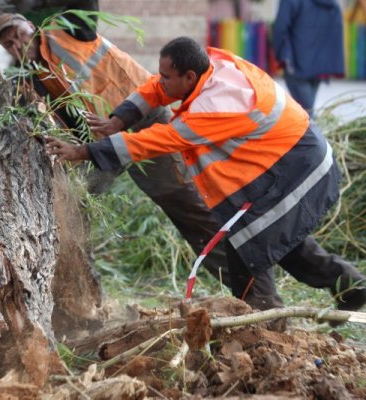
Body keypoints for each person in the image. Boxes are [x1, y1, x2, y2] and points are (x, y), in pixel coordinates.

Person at [45, 37, 366, 315]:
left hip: (296, 168)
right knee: (282, 241)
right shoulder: (210, 66)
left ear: (188, 76)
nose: (162, 81)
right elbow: (157, 89)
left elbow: (156, 141)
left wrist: (84, 151)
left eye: (168, 76)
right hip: (288, 156)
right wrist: (119, 118)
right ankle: (351, 287)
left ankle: (266, 320)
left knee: (248, 244)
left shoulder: (211, 108)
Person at [0, 10, 238, 291]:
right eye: (8, 44)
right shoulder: (27, 79)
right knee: (74, 204)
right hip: (103, 143)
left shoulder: (71, 32)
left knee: (184, 206)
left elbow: (84, 4)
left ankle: (243, 279)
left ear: (32, 27)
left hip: (141, 118)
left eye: (19, 34)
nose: (17, 45)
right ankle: (81, 290)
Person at [272, 0, 345, 117]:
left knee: (306, 115)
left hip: (296, 63)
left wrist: (282, 56)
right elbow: (336, 30)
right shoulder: (333, 3)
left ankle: (316, 134)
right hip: (320, 65)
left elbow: (280, 28)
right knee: (308, 111)